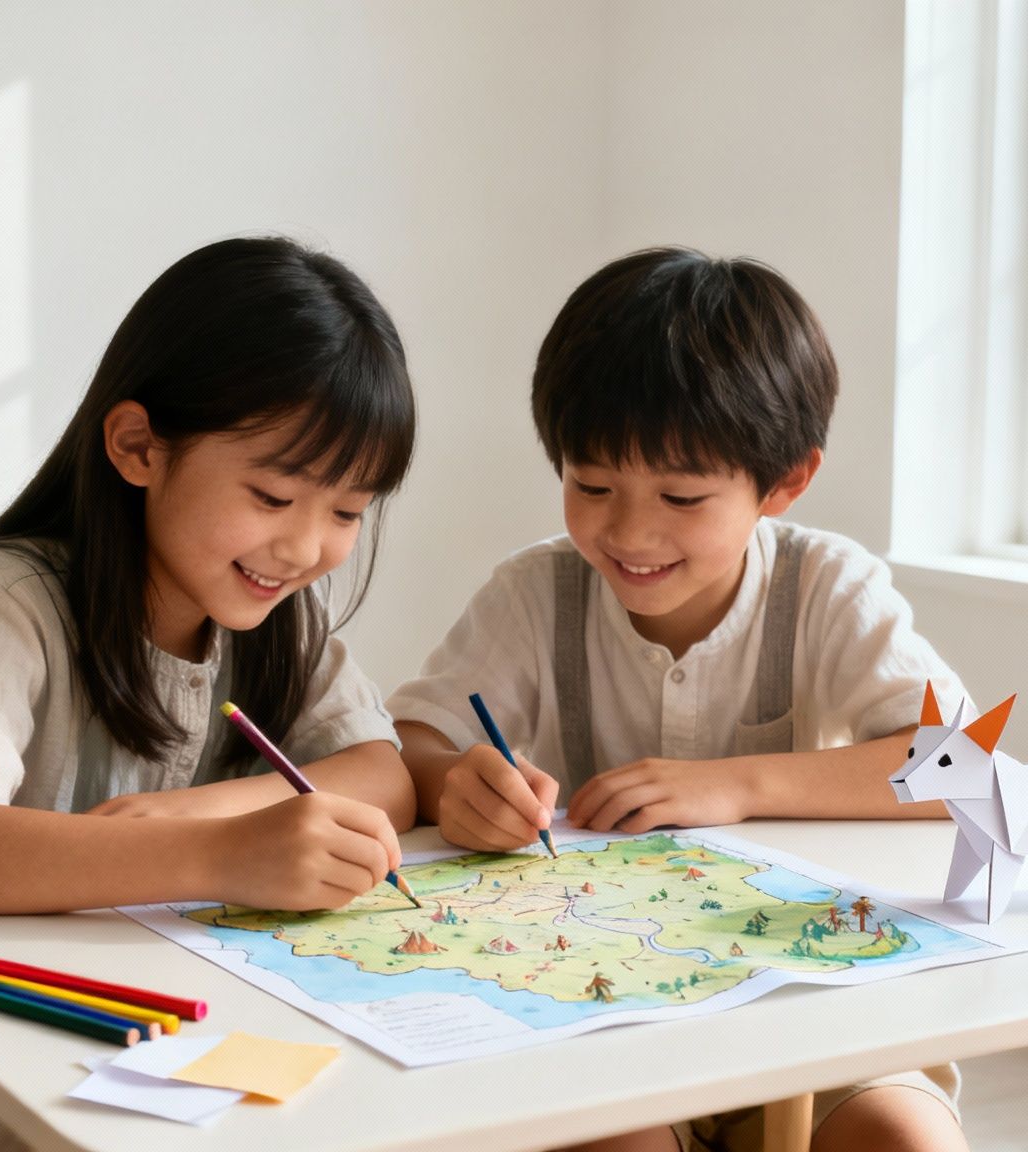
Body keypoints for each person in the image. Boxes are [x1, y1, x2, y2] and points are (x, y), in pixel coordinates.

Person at [0, 236, 419, 1151]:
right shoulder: (7, 604)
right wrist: (220, 855)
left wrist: (206, 816)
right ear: (137, 447)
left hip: (169, 1060)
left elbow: (383, 773)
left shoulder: (276, 615)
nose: (307, 548)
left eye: (349, 512)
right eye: (275, 496)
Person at [387, 248, 969, 1152]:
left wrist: (735, 786)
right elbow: (416, 739)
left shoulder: (829, 588)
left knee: (904, 1140)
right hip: (600, 1011)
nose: (627, 531)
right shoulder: (537, 591)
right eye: (591, 485)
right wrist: (450, 780)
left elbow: (962, 769)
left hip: (805, 1005)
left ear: (785, 482)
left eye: (683, 495)